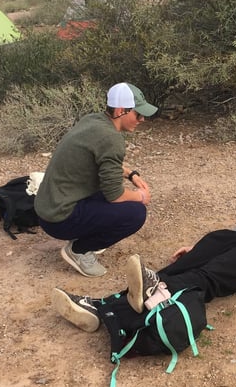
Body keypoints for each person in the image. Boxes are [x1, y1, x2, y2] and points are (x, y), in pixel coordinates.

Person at [51, 187, 236, 332]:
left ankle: (103, 311)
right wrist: (198, 245)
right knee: (180, 266)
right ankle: (102, 306)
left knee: (206, 276)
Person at [35, 82, 158, 278]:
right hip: (59, 218)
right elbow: (115, 195)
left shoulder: (93, 121)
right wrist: (140, 196)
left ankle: (87, 234)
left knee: (110, 190)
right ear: (120, 110)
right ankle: (79, 250)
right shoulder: (111, 138)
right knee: (135, 213)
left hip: (49, 207)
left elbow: (98, 162)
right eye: (138, 114)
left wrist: (130, 174)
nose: (142, 119)